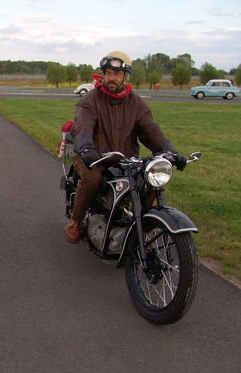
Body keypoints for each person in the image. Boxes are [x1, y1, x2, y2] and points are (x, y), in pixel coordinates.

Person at [66, 50, 186, 244]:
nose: (111, 78)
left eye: (117, 74)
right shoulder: (91, 99)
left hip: (125, 159)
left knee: (149, 179)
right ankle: (75, 221)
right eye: (108, 73)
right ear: (103, 75)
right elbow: (83, 125)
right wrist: (86, 147)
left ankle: (141, 223)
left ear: (126, 76)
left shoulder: (136, 103)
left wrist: (169, 150)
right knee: (93, 179)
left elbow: (150, 129)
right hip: (93, 156)